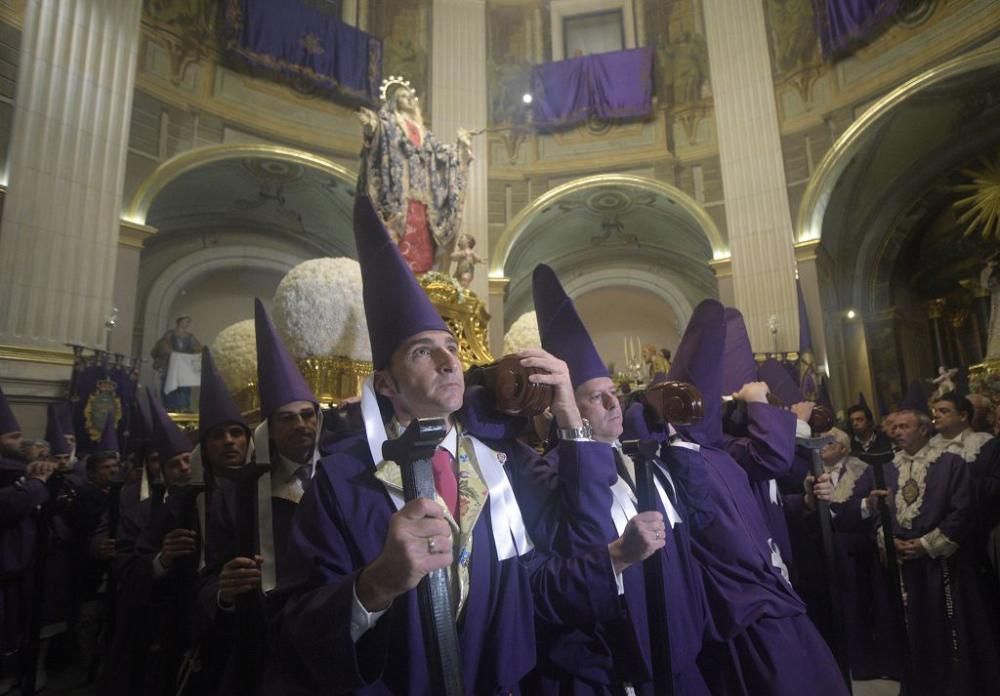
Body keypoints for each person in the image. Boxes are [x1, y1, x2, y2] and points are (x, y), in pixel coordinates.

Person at [264, 196, 651, 694]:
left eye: (451, 346)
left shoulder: (493, 467)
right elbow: (294, 628)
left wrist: (615, 557)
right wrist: (376, 584)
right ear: (385, 385)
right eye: (423, 352)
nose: (450, 362)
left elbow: (539, 574)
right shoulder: (342, 481)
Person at [627, 299, 847, 696]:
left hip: (773, 575)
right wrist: (760, 405)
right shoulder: (711, 452)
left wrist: (807, 503)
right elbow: (769, 459)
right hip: (744, 595)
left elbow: (758, 502)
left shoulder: (723, 453)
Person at [530, 263, 710, 695]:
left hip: (683, 655)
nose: (614, 402)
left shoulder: (642, 462)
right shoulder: (552, 472)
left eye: (613, 390)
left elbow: (697, 526)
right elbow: (569, 561)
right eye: (596, 396)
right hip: (621, 667)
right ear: (566, 407)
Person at [837, 389, 1000, 696]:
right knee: (910, 635)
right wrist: (886, 539)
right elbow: (865, 511)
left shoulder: (951, 463)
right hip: (900, 568)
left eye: (904, 427)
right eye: (894, 428)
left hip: (943, 566)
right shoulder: (883, 468)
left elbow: (963, 510)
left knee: (948, 633)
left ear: (924, 429)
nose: (896, 432)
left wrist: (927, 544)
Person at [100, 396, 200, 696]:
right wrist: (162, 560)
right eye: (174, 464)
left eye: (187, 459)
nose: (183, 468)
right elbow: (126, 571)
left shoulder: (217, 506)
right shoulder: (140, 515)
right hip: (154, 629)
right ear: (162, 473)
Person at [790, 428, 899, 680]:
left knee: (861, 608)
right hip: (823, 554)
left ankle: (868, 663)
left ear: (843, 449)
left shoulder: (862, 471)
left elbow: (863, 506)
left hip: (857, 554)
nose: (823, 446)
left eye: (830, 442)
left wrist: (862, 506)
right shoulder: (810, 472)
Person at [358, 83, 473, 274]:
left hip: (423, 198)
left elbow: (440, 154)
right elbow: (379, 137)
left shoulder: (424, 133)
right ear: (394, 102)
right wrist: (372, 125)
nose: (409, 99)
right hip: (400, 194)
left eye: (411, 97)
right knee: (399, 242)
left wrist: (460, 146)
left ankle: (423, 285)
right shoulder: (389, 124)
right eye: (403, 96)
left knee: (424, 241)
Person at [0, 386, 58, 695]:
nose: (20, 442)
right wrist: (36, 482)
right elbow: (11, 505)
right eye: (12, 437)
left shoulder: (15, 472)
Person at [151, 316, 202, 412]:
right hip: (171, 366)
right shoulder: (170, 334)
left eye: (188, 322)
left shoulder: (190, 337)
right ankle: (170, 408)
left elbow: (198, 349)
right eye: (186, 321)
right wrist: (171, 353)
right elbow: (162, 347)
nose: (187, 324)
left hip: (184, 367)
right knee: (170, 386)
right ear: (180, 321)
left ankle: (183, 407)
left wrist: (196, 353)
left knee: (184, 388)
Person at [929, 391, 994, 463]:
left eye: (943, 411)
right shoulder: (931, 445)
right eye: (934, 411)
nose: (935, 415)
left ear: (963, 416)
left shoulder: (984, 443)